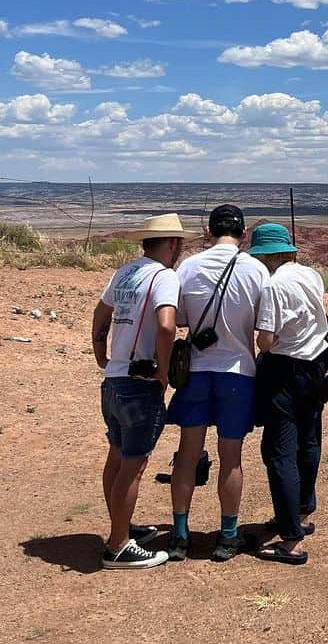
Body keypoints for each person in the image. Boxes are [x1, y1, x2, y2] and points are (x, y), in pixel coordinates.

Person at [164, 204, 269, 562]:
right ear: (242, 234)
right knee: (231, 458)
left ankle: (179, 535)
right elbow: (262, 326)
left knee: (187, 454)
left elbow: (177, 319)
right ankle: (227, 536)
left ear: (208, 231)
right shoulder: (256, 270)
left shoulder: (188, 266)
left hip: (195, 372)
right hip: (238, 373)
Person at [92, 212, 189, 569]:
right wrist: (164, 373)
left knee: (116, 456)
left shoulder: (126, 272)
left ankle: (121, 526)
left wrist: (101, 353)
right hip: (140, 385)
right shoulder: (164, 277)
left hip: (115, 380)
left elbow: (101, 313)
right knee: (134, 464)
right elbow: (166, 326)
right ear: (172, 244)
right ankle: (118, 545)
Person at [249, 223, 328, 566]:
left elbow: (266, 341)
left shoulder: (274, 286)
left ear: (267, 256)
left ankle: (290, 539)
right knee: (309, 440)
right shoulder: (310, 275)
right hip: (316, 364)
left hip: (285, 370)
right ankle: (301, 512)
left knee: (279, 451)